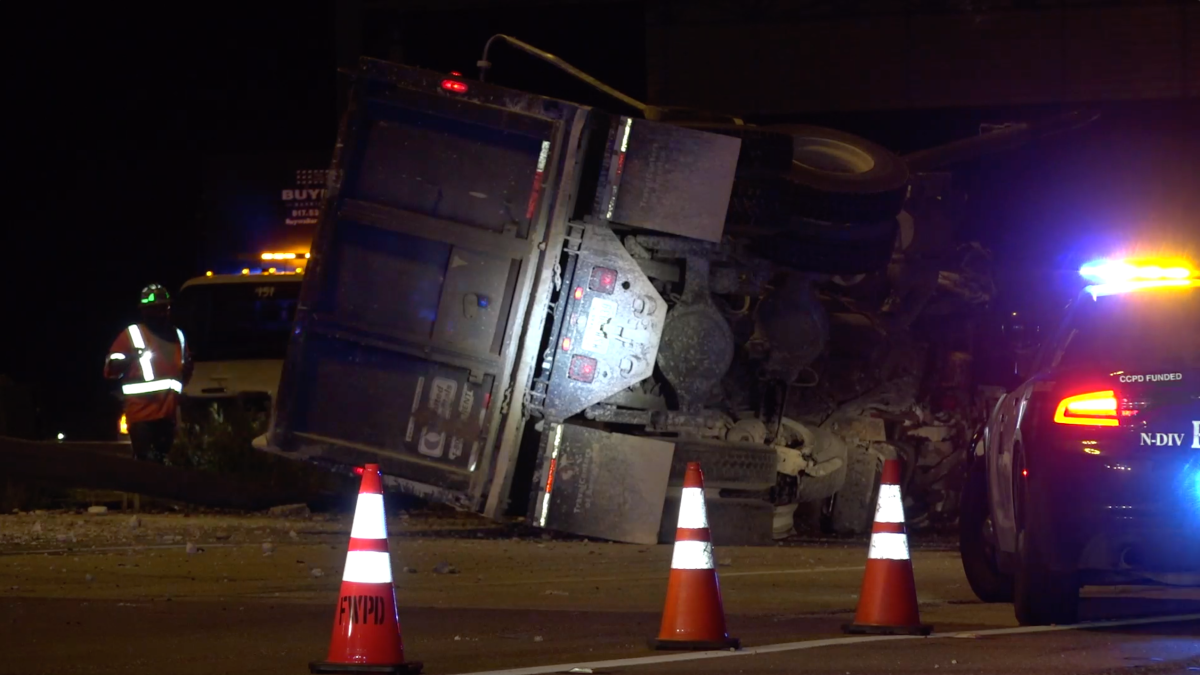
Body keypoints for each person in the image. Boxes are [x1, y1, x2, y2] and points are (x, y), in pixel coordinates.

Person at [104, 284, 192, 463]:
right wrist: (127, 361)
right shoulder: (132, 334)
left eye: (163, 308)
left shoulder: (178, 336)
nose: (160, 313)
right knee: (145, 464)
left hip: (167, 416)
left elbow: (185, 371)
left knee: (162, 463)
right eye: (154, 309)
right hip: (141, 416)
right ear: (144, 311)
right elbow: (110, 370)